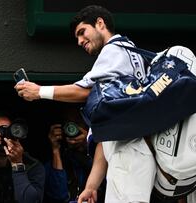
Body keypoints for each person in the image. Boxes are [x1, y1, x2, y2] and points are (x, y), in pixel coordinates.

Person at [15, 5, 156, 203]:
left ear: (100, 23)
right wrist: (91, 186)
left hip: (131, 151)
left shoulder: (114, 50)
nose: (80, 41)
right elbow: (106, 136)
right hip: (130, 148)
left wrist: (39, 91)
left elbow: (84, 91)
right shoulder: (129, 51)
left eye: (82, 32)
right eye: (77, 38)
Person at [44, 109, 102, 203]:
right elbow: (59, 195)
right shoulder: (59, 159)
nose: (72, 127)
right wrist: (55, 150)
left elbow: (104, 180)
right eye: (68, 122)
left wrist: (88, 143)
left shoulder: (100, 151)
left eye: (77, 122)